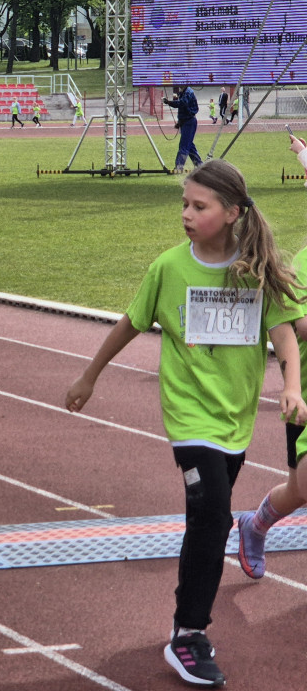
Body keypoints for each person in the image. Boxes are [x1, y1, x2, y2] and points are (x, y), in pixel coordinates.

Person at [64, 159, 307, 688]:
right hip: (188, 415)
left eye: (199, 206)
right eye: (185, 205)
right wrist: (90, 376)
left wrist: (290, 383)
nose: (187, 214)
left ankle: (193, 617)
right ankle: (188, 634)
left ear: (233, 213)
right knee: (210, 511)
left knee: (215, 516)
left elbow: (284, 331)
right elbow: (130, 323)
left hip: (233, 417)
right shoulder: (168, 268)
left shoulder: (253, 268)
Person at [237, 133, 307, 581]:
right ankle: (256, 523)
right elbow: (295, 326)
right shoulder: (304, 262)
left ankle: (255, 523)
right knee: (303, 489)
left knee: (300, 491)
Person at [163, 84, 202, 173]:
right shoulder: (184, 92)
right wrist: (180, 122)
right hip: (186, 122)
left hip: (189, 122)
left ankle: (179, 166)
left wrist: (169, 102)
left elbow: (182, 104)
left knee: (184, 145)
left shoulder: (188, 92)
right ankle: (199, 165)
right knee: (190, 145)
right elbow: (183, 109)